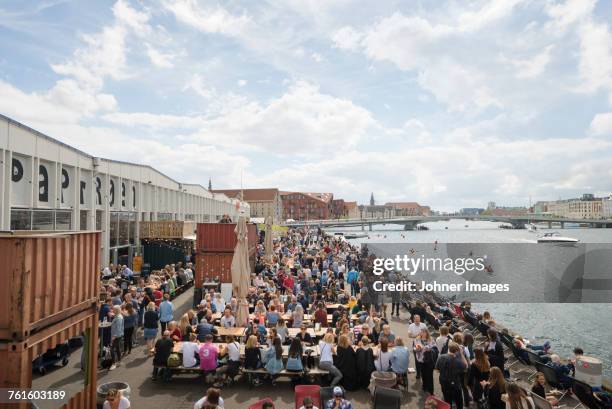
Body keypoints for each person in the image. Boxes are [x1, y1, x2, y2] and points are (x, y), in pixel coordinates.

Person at [436, 342, 468, 409]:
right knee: (458, 400)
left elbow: (437, 370)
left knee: (447, 400)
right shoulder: (458, 361)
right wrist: (461, 354)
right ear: (457, 350)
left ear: (449, 348)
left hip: (444, 382)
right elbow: (466, 367)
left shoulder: (441, 357)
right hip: (455, 384)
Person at [415, 329, 437, 394]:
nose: (423, 334)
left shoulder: (431, 339)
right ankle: (424, 387)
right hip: (421, 360)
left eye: (424, 332)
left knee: (430, 375)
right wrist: (417, 349)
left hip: (429, 360)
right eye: (422, 332)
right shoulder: (417, 340)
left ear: (427, 333)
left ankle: (431, 390)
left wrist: (430, 349)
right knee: (423, 374)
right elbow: (415, 349)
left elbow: (435, 348)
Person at [408, 314, 428, 378]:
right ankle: (418, 373)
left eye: (418, 320)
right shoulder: (411, 326)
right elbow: (409, 335)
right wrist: (418, 335)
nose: (417, 321)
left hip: (424, 343)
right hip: (416, 344)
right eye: (416, 320)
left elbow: (427, 334)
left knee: (423, 358)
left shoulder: (423, 325)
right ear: (414, 320)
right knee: (417, 359)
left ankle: (422, 372)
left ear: (420, 319)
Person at [110, 305, 124, 370]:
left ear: (116, 310)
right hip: (118, 335)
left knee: (112, 349)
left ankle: (113, 363)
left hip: (116, 336)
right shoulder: (118, 316)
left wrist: (114, 336)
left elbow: (118, 328)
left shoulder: (118, 318)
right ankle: (119, 361)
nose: (112, 310)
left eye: (113, 310)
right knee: (117, 348)